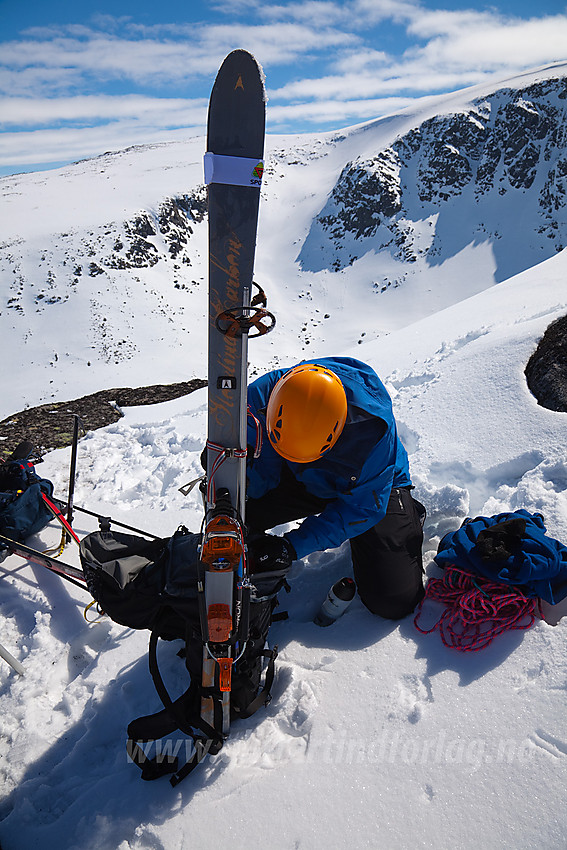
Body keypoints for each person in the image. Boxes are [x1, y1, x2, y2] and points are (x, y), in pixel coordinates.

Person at [245, 356, 426, 620]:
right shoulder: (263, 398)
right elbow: (260, 455)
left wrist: (291, 547)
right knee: (239, 518)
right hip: (302, 476)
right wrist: (244, 478)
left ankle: (407, 515)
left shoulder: (372, 436)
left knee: (393, 600)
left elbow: (360, 509)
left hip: (367, 489)